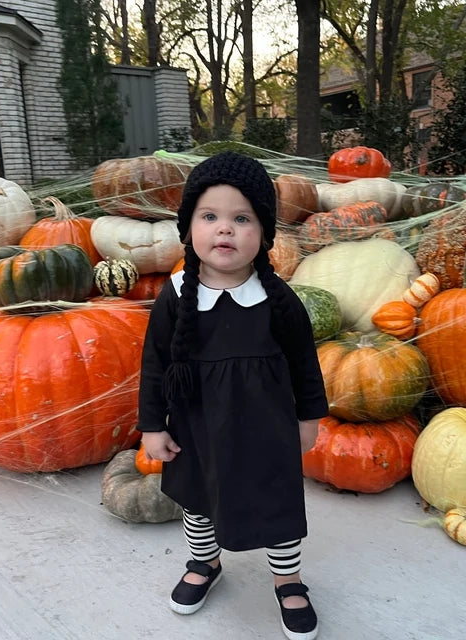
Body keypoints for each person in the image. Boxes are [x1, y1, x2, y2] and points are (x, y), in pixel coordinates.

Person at [137, 151, 329, 640]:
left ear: (263, 234)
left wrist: (309, 419)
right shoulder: (176, 294)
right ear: (189, 228)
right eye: (210, 216)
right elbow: (155, 364)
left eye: (242, 218)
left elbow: (305, 364)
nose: (225, 230)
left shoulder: (277, 298)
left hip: (265, 430)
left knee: (278, 506)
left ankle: (289, 581)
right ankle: (204, 564)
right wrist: (153, 426)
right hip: (197, 429)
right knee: (198, 504)